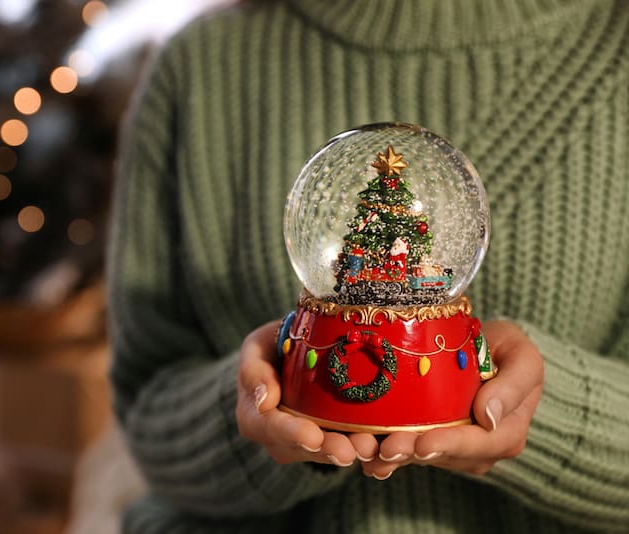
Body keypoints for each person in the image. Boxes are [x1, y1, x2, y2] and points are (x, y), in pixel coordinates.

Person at [106, 0, 629, 532]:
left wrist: (538, 411)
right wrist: (261, 408)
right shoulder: (202, 64)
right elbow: (148, 404)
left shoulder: (617, 48)